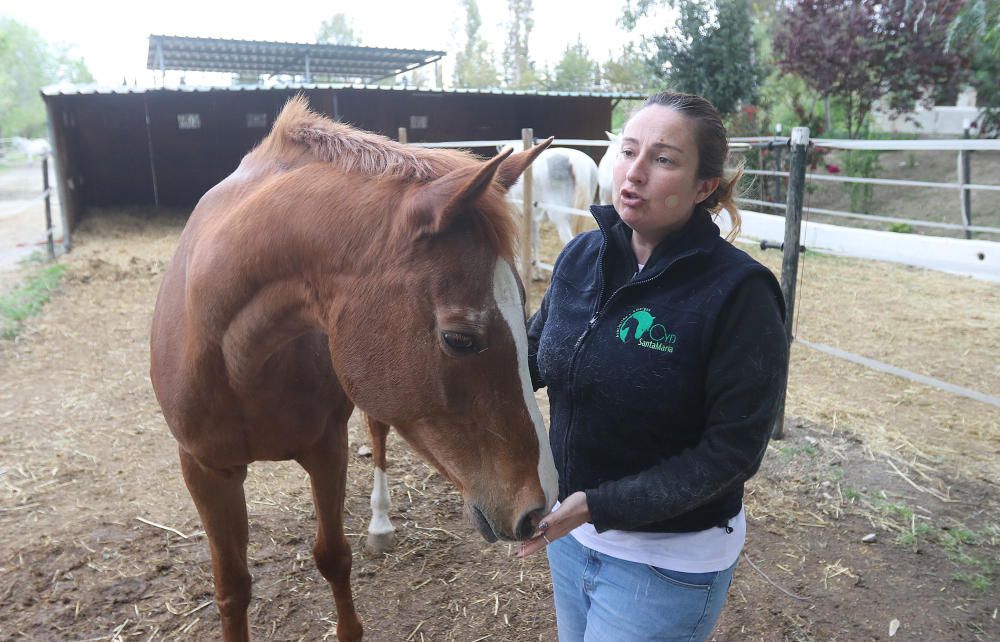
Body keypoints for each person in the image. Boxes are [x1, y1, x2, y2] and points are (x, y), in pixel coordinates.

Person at [516, 91, 789, 642]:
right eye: (628, 150)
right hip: (570, 539)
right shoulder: (580, 258)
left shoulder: (739, 292)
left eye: (663, 160)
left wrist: (600, 504)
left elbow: (732, 452)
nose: (633, 172)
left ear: (704, 187)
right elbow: (532, 362)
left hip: (669, 563)